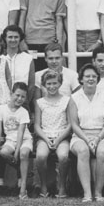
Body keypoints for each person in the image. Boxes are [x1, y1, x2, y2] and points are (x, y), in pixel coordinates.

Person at [69, 63, 104, 202]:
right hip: (80, 135)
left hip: (102, 134)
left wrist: (98, 138)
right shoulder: (74, 97)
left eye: (94, 76)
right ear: (81, 79)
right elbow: (74, 124)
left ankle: (98, 192)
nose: (91, 79)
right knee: (83, 151)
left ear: (97, 79)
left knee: (102, 152)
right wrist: (87, 140)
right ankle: (87, 193)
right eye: (87, 76)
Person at [19, 0, 65, 69]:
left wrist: (58, 44)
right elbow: (22, 17)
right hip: (30, 40)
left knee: (48, 74)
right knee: (32, 73)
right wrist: (21, 40)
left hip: (49, 41)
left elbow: (59, 22)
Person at [34, 70, 73, 198]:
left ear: (60, 83)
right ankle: (43, 185)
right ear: (44, 85)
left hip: (61, 137)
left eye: (55, 83)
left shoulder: (67, 101)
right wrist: (46, 139)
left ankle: (61, 185)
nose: (52, 86)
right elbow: (37, 126)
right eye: (49, 83)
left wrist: (58, 140)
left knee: (63, 156)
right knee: (40, 156)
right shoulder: (40, 102)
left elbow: (70, 124)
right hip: (45, 137)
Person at [0, 82, 33, 200]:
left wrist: (16, 152)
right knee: (3, 153)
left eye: (23, 97)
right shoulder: (1, 109)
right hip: (10, 140)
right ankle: (21, 168)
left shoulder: (23, 112)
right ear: (11, 93)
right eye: (17, 95)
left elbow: (21, 132)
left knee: (23, 153)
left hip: (24, 139)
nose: (20, 99)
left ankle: (23, 189)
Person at [1, 25, 36, 98]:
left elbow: (31, 84)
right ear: (5, 38)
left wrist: (25, 101)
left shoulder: (28, 58)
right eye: (10, 37)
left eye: (16, 37)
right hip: (2, 100)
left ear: (20, 38)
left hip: (22, 100)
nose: (13, 40)